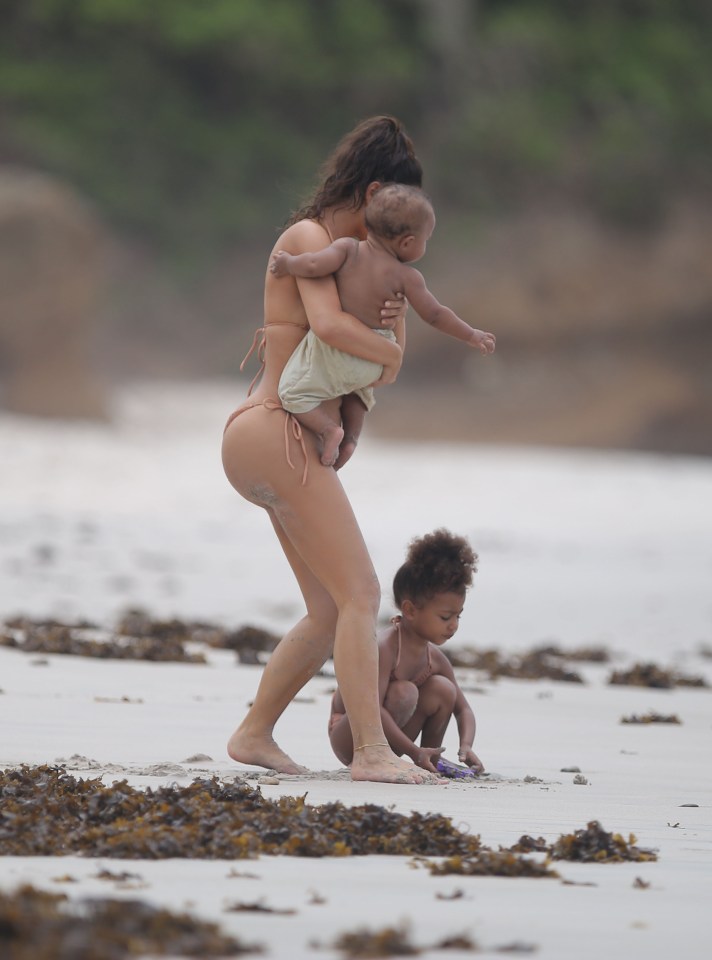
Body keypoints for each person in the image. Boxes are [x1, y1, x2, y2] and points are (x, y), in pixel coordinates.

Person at [221, 116, 444, 784]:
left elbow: (363, 363)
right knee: (362, 591)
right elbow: (328, 329)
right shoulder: (309, 239)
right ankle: (372, 752)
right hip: (270, 430)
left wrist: (383, 354)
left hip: (279, 438)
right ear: (373, 189)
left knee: (327, 608)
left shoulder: (361, 267)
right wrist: (391, 353)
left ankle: (254, 733)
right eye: (390, 218)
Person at [270, 183, 496, 466]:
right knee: (358, 394)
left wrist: (288, 263)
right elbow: (436, 314)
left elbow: (314, 265)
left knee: (291, 394)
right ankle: (351, 438)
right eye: (426, 239)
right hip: (375, 357)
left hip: (340, 352)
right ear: (407, 242)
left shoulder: (347, 249)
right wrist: (471, 334)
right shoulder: (408, 278)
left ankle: (329, 431)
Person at [329, 529, 485, 777]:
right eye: (445, 617)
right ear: (410, 610)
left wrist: (466, 747)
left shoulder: (434, 658)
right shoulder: (384, 647)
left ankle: (431, 755)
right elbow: (371, 708)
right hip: (353, 732)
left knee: (444, 689)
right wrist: (411, 750)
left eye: (458, 615)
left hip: (394, 736)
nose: (453, 625)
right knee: (405, 691)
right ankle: (412, 755)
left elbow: (463, 709)